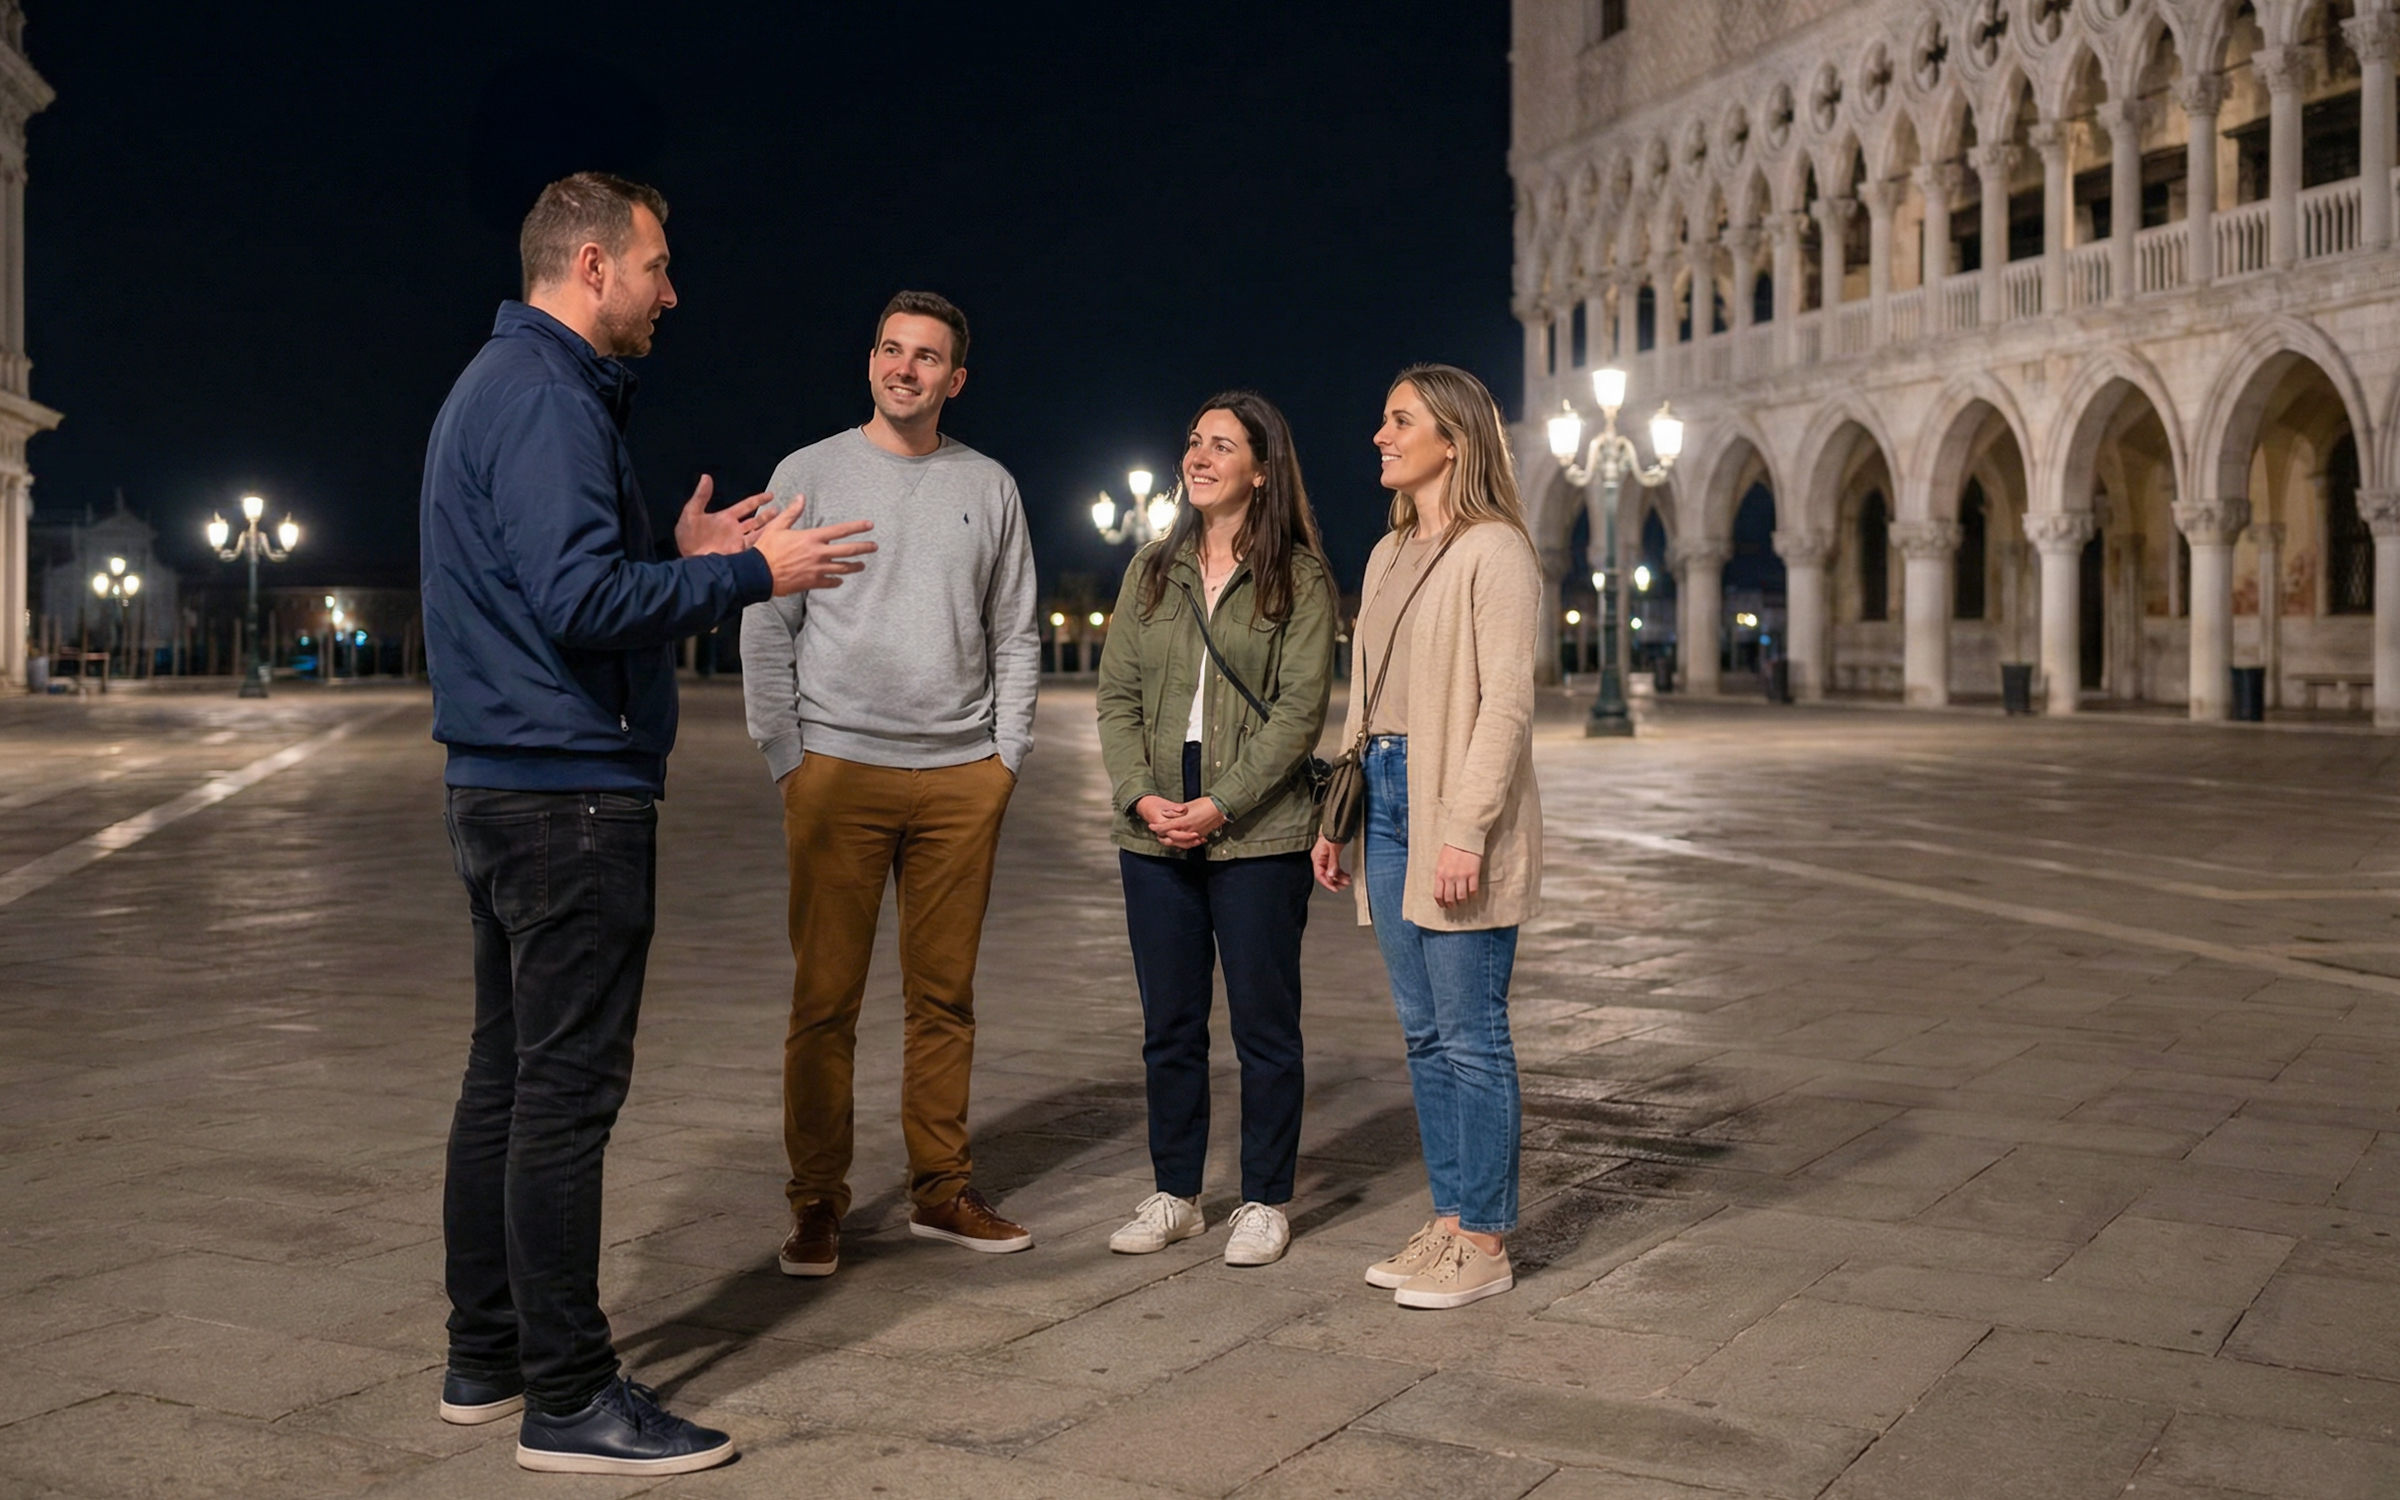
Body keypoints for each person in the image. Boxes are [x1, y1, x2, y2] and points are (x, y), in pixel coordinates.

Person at [422, 172, 875, 1474]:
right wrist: (746, 574)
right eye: (659, 266)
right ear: (592, 267)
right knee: (563, 1094)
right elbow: (575, 604)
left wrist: (673, 550)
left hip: (498, 785)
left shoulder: (498, 388)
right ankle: (567, 1396)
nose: (674, 292)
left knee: (505, 1077)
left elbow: (561, 578)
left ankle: (486, 1353)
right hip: (569, 796)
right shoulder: (550, 397)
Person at [740, 290, 1041, 1278]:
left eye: (927, 357)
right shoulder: (809, 474)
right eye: (891, 350)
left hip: (961, 778)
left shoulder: (990, 485)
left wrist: (1004, 757)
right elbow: (764, 619)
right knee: (823, 1001)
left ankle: (940, 1189)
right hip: (838, 771)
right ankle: (817, 1202)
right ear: (871, 359)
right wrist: (789, 758)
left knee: (943, 999)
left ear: (956, 380)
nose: (905, 369)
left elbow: (1015, 630)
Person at [1311, 363, 1542, 1311]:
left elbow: (1506, 707)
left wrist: (1467, 830)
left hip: (1455, 801)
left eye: (1398, 419)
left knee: (1472, 1030)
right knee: (1422, 1031)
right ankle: (1449, 1220)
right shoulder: (1388, 553)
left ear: (1452, 438)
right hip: (1392, 791)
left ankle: (1485, 1238)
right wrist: (1343, 815)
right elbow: (1367, 701)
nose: (1379, 435)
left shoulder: (1498, 551)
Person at [1094, 392, 1337, 1267]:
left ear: (1261, 470)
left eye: (1221, 445)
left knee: (1265, 1025)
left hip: (1259, 827)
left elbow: (1300, 713)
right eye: (1193, 441)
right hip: (1155, 821)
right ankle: (1177, 1193)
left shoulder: (1299, 580)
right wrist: (1138, 794)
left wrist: (1224, 802)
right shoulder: (1151, 574)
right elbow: (1116, 698)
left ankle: (1267, 1197)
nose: (1198, 456)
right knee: (1170, 1022)